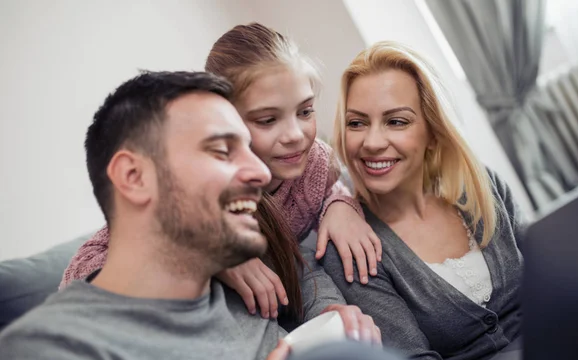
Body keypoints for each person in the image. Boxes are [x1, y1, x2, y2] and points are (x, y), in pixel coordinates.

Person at [0, 71, 447, 360]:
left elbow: (303, 268)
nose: (258, 172)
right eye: (221, 151)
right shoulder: (45, 359)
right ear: (134, 177)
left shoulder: (240, 279)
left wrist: (335, 319)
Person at [59, 23, 381, 324]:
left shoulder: (313, 164)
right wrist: (213, 253)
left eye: (305, 111)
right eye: (267, 120)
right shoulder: (201, 185)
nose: (295, 134)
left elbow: (329, 193)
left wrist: (341, 205)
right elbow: (85, 271)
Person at [320, 41, 524, 360]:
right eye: (357, 123)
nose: (371, 142)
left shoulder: (480, 186)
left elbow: (551, 285)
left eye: (396, 121)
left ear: (432, 131)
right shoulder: (354, 248)